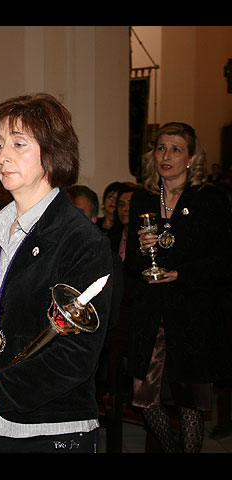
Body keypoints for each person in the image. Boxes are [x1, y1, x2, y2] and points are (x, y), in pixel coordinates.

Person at [0, 93, 113, 453]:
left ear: (52, 153)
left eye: (19, 144)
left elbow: (75, 355)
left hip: (48, 427)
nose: (2, 156)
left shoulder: (81, 239)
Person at [124, 122, 232, 453]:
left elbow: (224, 260)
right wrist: (144, 252)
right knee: (145, 397)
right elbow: (131, 265)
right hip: (151, 312)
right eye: (160, 148)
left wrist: (180, 274)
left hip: (193, 313)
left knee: (190, 402)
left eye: (175, 149)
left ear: (191, 158)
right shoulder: (142, 197)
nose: (166, 156)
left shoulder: (209, 199)